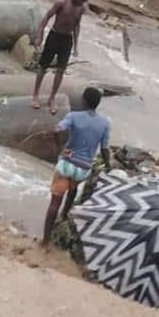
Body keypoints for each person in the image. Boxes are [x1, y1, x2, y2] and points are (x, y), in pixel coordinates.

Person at [43, 87, 111, 244]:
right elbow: (105, 149)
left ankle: (45, 242)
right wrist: (108, 166)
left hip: (67, 163)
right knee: (72, 191)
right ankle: (64, 216)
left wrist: (60, 148)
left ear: (84, 101)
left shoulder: (74, 116)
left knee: (55, 202)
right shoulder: (105, 123)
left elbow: (57, 129)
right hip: (83, 169)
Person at [31, 0, 91, 115]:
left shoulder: (81, 8)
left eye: (85, 1)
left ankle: (52, 98)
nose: (82, 3)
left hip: (67, 39)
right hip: (54, 36)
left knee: (61, 70)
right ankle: (35, 95)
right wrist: (39, 36)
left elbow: (76, 26)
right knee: (43, 67)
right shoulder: (62, 3)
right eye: (82, 0)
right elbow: (46, 17)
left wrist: (76, 45)